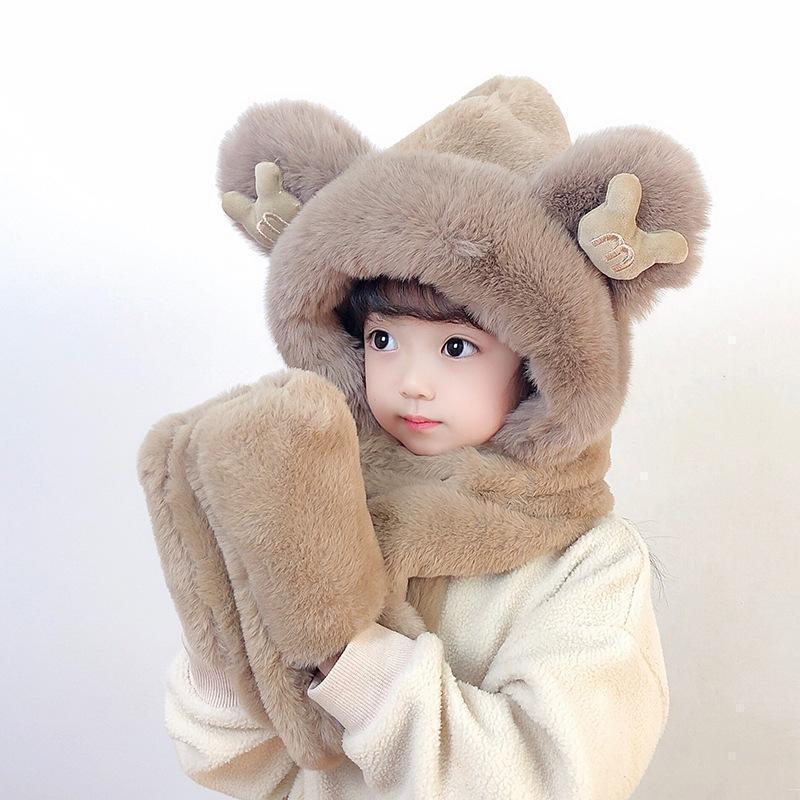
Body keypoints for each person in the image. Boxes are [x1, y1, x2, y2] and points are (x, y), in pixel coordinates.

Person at [151, 75, 709, 798]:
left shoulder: (588, 565)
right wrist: (231, 636)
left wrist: (347, 658)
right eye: (382, 339)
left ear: (540, 367)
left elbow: (557, 778)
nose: (411, 381)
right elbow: (223, 759)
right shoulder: (316, 510)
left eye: (455, 347)